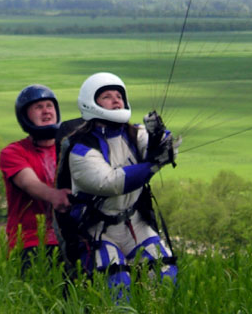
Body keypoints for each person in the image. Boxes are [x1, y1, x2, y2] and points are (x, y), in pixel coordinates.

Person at [59, 72, 178, 296]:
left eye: (119, 96)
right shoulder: (81, 148)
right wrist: (153, 165)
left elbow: (164, 148)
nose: (116, 100)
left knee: (165, 276)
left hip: (136, 222)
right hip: (99, 229)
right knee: (117, 283)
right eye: (107, 96)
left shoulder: (133, 133)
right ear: (91, 103)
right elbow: (110, 182)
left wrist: (159, 139)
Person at [0, 84, 72, 270]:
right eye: (38, 107)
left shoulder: (72, 148)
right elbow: (28, 182)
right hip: (31, 241)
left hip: (72, 239)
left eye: (49, 106)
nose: (46, 112)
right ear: (25, 115)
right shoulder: (14, 152)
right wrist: (55, 196)